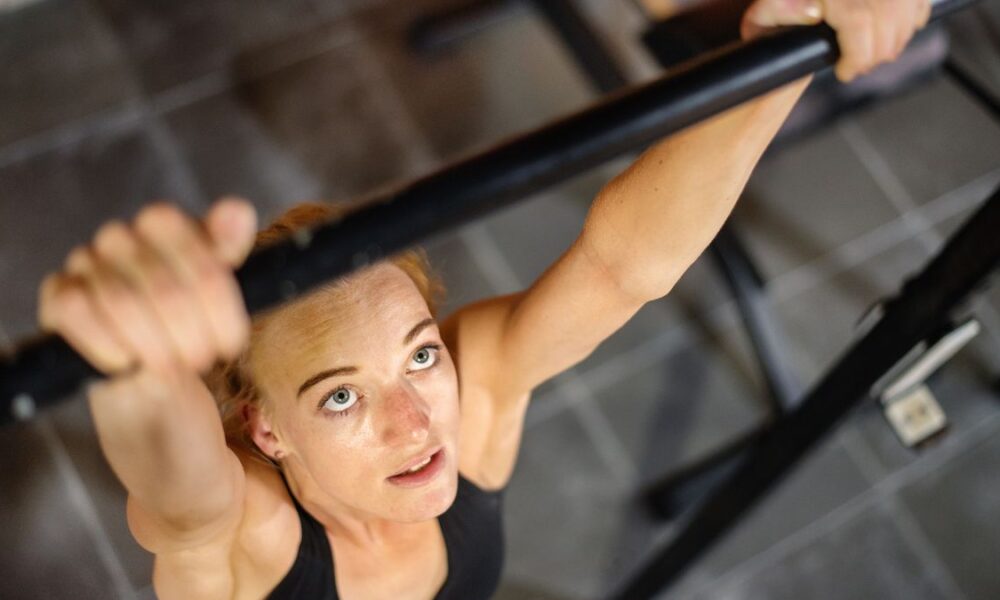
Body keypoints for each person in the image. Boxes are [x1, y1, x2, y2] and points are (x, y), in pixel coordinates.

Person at [37, 2, 930, 598]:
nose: (416, 420)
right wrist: (133, 370)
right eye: (339, 396)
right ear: (265, 429)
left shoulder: (476, 400)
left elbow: (623, 267)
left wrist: (790, 47)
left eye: (421, 354)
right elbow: (181, 500)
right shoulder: (253, 543)